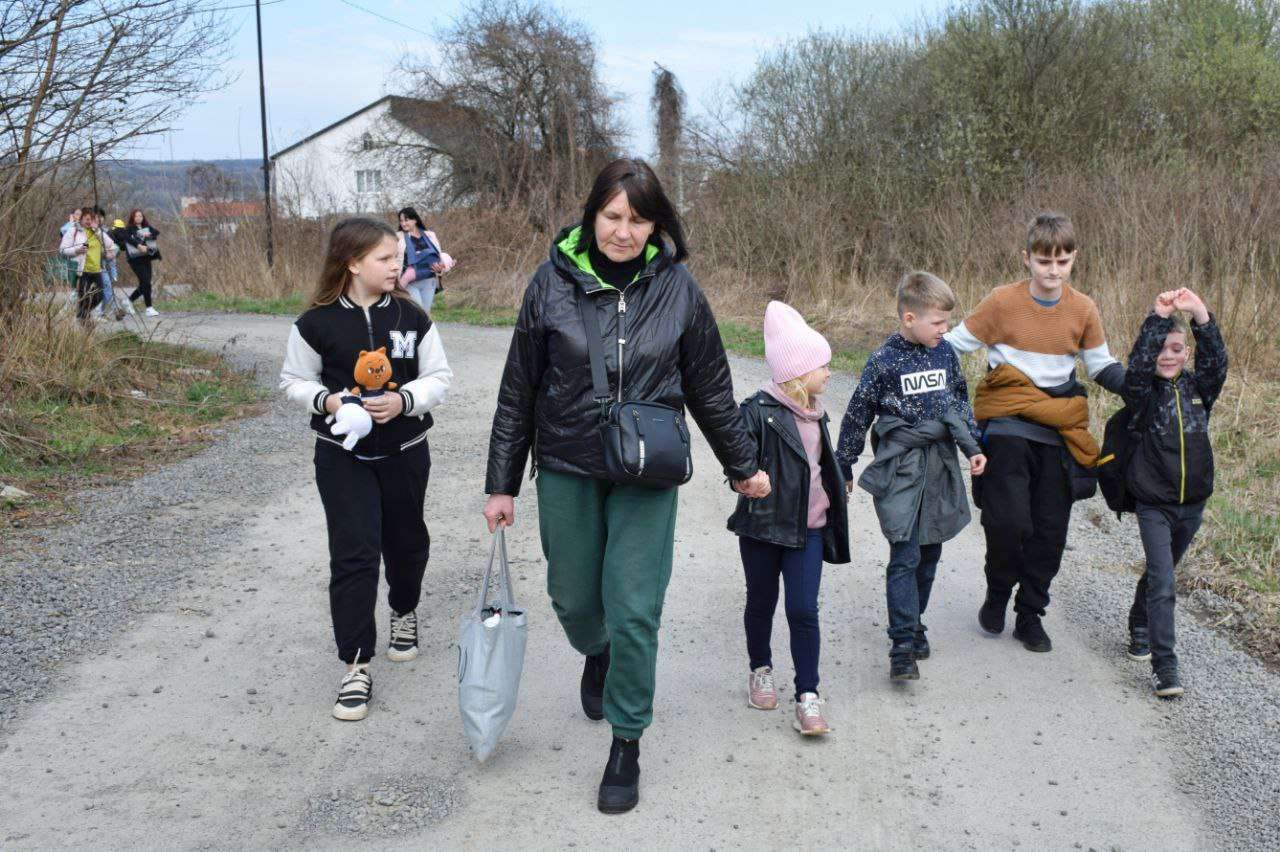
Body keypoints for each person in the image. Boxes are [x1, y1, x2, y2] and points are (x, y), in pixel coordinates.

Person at [482, 158, 769, 814]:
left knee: (635, 606)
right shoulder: (549, 284)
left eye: (638, 220)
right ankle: (598, 649)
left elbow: (710, 389)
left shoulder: (679, 290)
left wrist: (743, 465)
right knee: (573, 598)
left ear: (657, 225)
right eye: (612, 216)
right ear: (591, 216)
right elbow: (518, 389)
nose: (623, 231)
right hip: (567, 462)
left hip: (649, 468)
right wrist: (502, 484)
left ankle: (626, 742)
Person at [279, 217, 452, 722]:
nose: (397, 265)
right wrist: (329, 401)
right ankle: (356, 665)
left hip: (405, 451)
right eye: (385, 258)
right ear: (353, 263)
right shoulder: (314, 324)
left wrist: (404, 400)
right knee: (353, 553)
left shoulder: (412, 316)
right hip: (342, 456)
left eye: (398, 256)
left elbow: (439, 376)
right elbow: (294, 380)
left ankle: (403, 609)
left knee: (406, 543)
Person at [944, 212, 1125, 653]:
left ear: (1074, 258)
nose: (1053, 270)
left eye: (1062, 261)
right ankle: (998, 591)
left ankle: (1029, 613)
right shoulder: (1002, 302)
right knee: (1007, 522)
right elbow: (951, 345)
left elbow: (1100, 365)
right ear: (1026, 258)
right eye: (1044, 261)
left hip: (1058, 427)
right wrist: (905, 363)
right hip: (1007, 423)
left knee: (1049, 531)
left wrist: (1140, 389)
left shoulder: (1083, 308)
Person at [837, 272, 987, 680]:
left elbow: (959, 401)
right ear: (909, 318)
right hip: (900, 467)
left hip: (939, 464)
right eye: (937, 322)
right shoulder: (883, 361)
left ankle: (915, 620)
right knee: (905, 553)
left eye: (947, 321)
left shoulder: (945, 354)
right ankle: (902, 644)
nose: (945, 329)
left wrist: (973, 446)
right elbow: (857, 413)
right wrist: (843, 464)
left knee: (930, 552)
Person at [727, 301, 848, 735]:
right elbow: (736, 462)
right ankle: (760, 669)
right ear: (798, 371)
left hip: (808, 531)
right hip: (763, 528)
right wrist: (745, 479)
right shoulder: (756, 411)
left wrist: (837, 484)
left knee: (803, 609)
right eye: (823, 366)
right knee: (761, 602)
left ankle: (807, 695)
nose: (829, 373)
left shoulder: (817, 411)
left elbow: (820, 464)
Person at [1120, 288, 1226, 698]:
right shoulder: (1142, 393)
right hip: (1154, 504)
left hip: (1192, 504)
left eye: (1177, 349)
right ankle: (1165, 667)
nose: (1168, 356)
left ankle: (1139, 619)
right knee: (1164, 581)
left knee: (1159, 573)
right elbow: (1137, 365)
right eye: (1162, 349)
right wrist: (1157, 318)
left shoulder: (1201, 389)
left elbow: (1217, 360)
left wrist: (1200, 314)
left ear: (1187, 353)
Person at [59, 205, 117, 323]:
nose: (89, 221)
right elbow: (63, 250)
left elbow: (112, 246)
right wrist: (76, 250)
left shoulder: (97, 232)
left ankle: (83, 314)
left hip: (97, 270)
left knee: (99, 296)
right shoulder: (74, 231)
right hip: (82, 270)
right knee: (84, 296)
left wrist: (109, 252)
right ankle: (83, 319)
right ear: (81, 219)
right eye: (86, 219)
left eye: (91, 219)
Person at [396, 207, 454, 313]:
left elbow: (437, 256)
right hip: (409, 282)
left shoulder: (430, 235)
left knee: (425, 313)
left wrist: (439, 270)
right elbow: (393, 259)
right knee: (417, 312)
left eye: (406, 220)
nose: (403, 223)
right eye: (401, 221)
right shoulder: (398, 237)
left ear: (415, 220)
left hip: (429, 280)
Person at [122, 208, 161, 317]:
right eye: (136, 216)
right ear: (132, 218)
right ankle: (149, 308)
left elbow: (156, 232)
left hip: (146, 258)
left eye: (140, 216)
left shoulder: (146, 227)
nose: (138, 218)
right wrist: (138, 245)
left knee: (145, 283)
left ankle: (128, 301)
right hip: (135, 259)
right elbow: (127, 238)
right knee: (146, 282)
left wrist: (149, 235)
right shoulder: (129, 228)